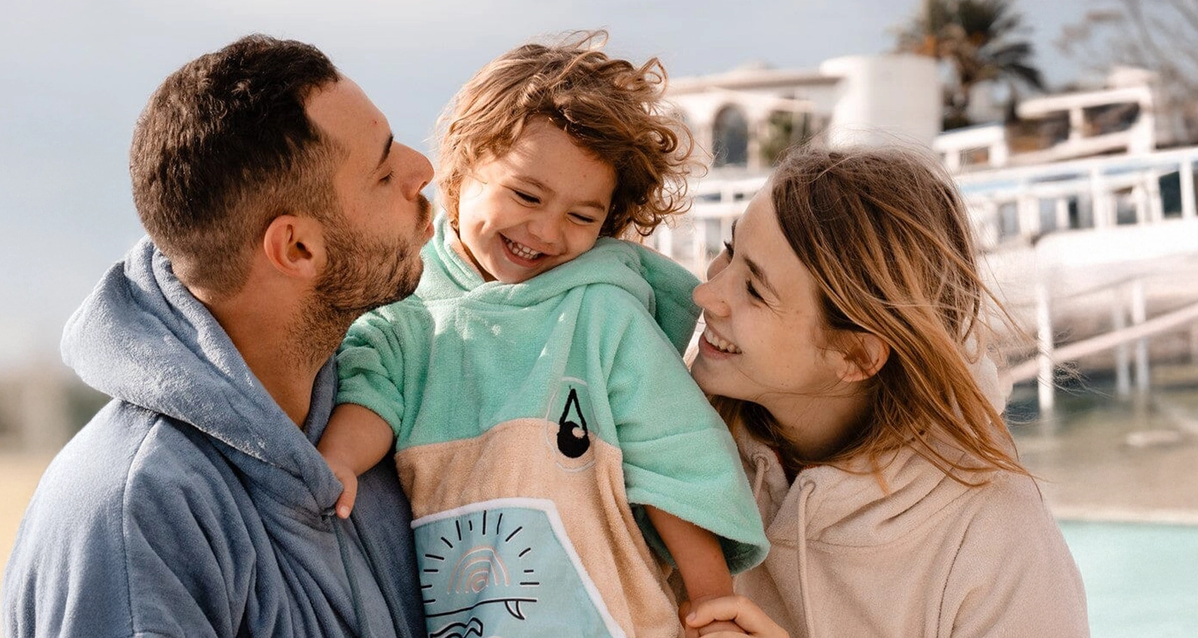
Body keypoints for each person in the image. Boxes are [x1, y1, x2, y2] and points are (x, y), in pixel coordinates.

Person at [315, 33, 768, 637]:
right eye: (526, 195)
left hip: (618, 619)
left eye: (582, 216)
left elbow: (674, 457)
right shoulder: (410, 307)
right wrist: (340, 459)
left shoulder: (602, 313)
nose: (547, 231)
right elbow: (372, 390)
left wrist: (711, 602)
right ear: (460, 169)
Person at [0, 35, 435, 637]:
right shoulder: (135, 518)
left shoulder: (387, 416)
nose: (423, 170)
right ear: (296, 248)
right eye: (384, 172)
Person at [683, 145, 1090, 638]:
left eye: (754, 289)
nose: (705, 293)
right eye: (729, 250)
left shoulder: (995, 536)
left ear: (856, 355)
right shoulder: (676, 434)